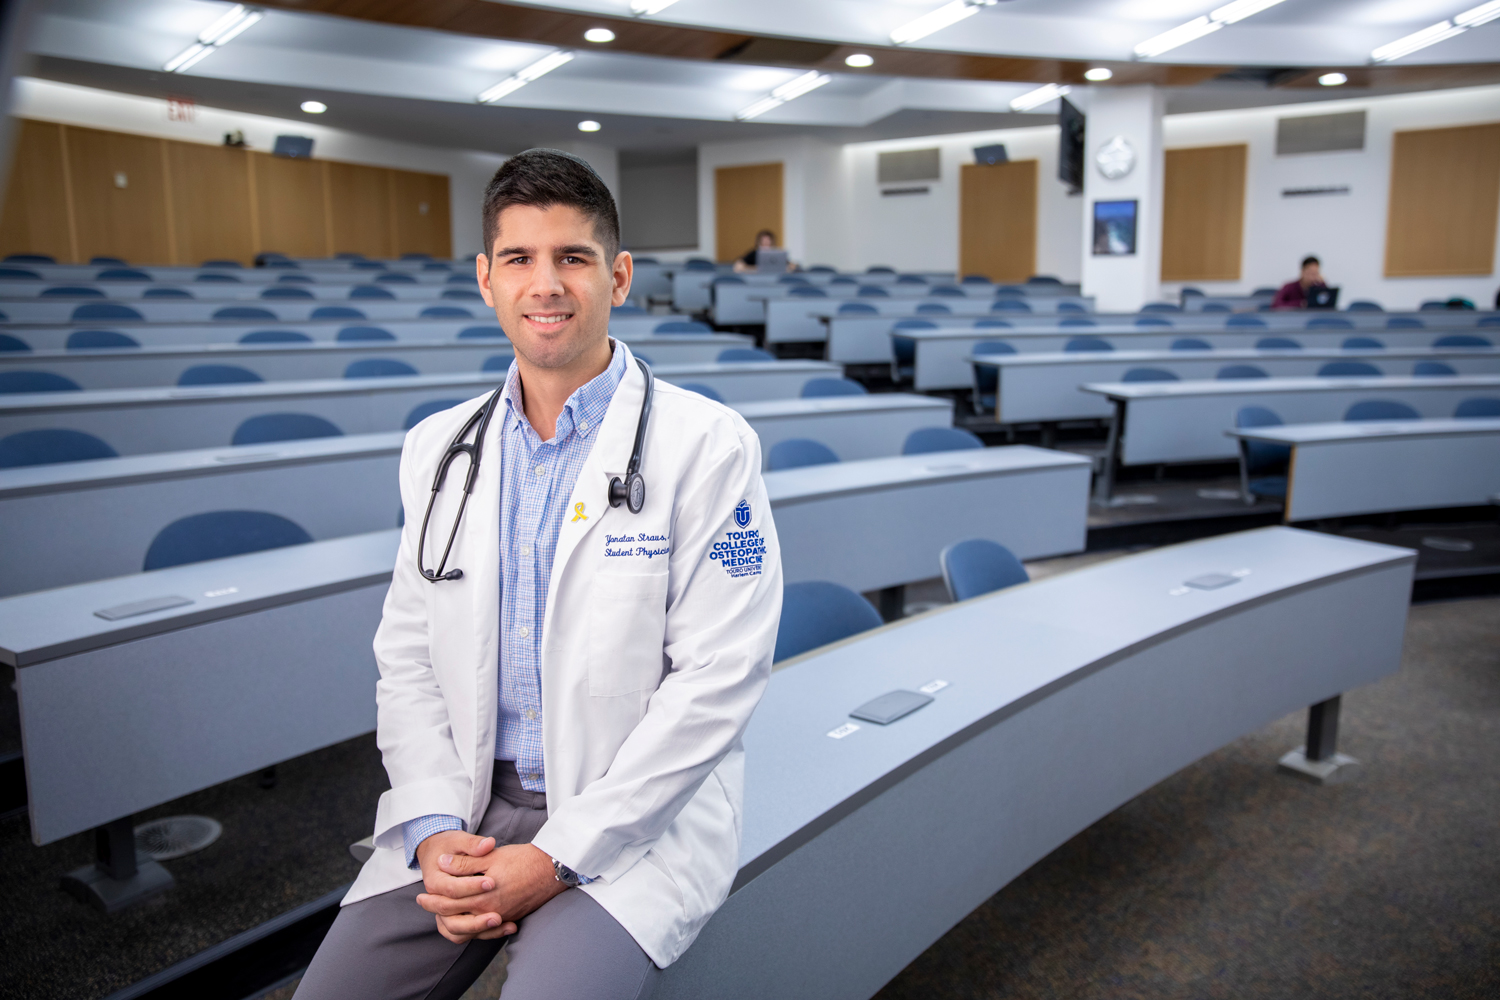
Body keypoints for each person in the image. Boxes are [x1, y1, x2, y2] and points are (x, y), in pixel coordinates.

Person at [294, 149, 783, 1000]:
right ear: (486, 279)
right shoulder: (437, 450)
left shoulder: (707, 446)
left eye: (574, 258)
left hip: (628, 814)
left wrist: (560, 854)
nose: (545, 284)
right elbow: (406, 658)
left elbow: (718, 680)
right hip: (468, 806)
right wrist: (433, 827)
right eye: (519, 259)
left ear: (619, 276)